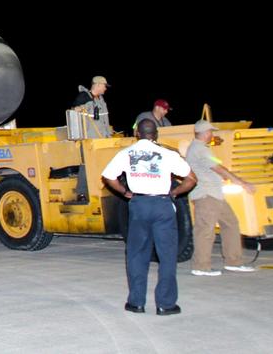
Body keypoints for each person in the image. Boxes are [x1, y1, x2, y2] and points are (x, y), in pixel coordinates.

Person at [101, 117, 196, 316]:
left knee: (137, 254)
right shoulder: (167, 153)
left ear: (137, 134)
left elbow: (108, 176)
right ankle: (166, 304)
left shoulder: (126, 153)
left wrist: (124, 192)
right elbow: (191, 179)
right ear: (156, 134)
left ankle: (136, 302)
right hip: (163, 206)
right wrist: (175, 193)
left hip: (139, 206)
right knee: (167, 255)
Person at [186, 119, 257, 276]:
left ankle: (233, 261)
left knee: (231, 223)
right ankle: (201, 266)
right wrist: (242, 182)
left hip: (215, 195)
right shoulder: (199, 149)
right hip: (206, 195)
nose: (212, 134)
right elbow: (218, 167)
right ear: (205, 133)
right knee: (205, 230)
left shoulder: (202, 148)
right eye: (211, 131)